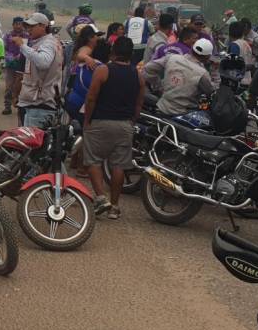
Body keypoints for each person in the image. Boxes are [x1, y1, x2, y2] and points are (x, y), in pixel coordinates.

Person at [82, 36, 143, 219]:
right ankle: (115, 207)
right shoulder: (137, 75)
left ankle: (101, 198)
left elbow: (91, 98)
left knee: (93, 160)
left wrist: (87, 119)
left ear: (113, 51)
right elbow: (139, 103)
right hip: (124, 124)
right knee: (119, 166)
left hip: (100, 121)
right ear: (131, 54)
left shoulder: (103, 70)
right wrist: (132, 120)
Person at [14, 12, 65, 128]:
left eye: (32, 26)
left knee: (31, 144)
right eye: (27, 27)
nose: (28, 30)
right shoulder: (46, 42)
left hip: (38, 104)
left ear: (43, 26)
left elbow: (43, 62)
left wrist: (22, 46)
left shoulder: (47, 43)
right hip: (35, 103)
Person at [143, 38, 215, 116]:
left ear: (191, 49)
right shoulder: (202, 73)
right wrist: (215, 71)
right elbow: (212, 92)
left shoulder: (171, 58)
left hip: (162, 107)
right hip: (184, 115)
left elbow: (148, 68)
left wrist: (158, 87)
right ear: (207, 57)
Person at [2, 16, 26, 116]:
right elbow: (4, 49)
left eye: (20, 24)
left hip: (23, 66)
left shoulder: (27, 36)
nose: (18, 26)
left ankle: (20, 107)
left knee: (21, 87)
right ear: (13, 25)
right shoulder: (8, 36)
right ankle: (7, 107)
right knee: (9, 86)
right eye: (16, 24)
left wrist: (20, 56)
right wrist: (10, 56)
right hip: (11, 65)